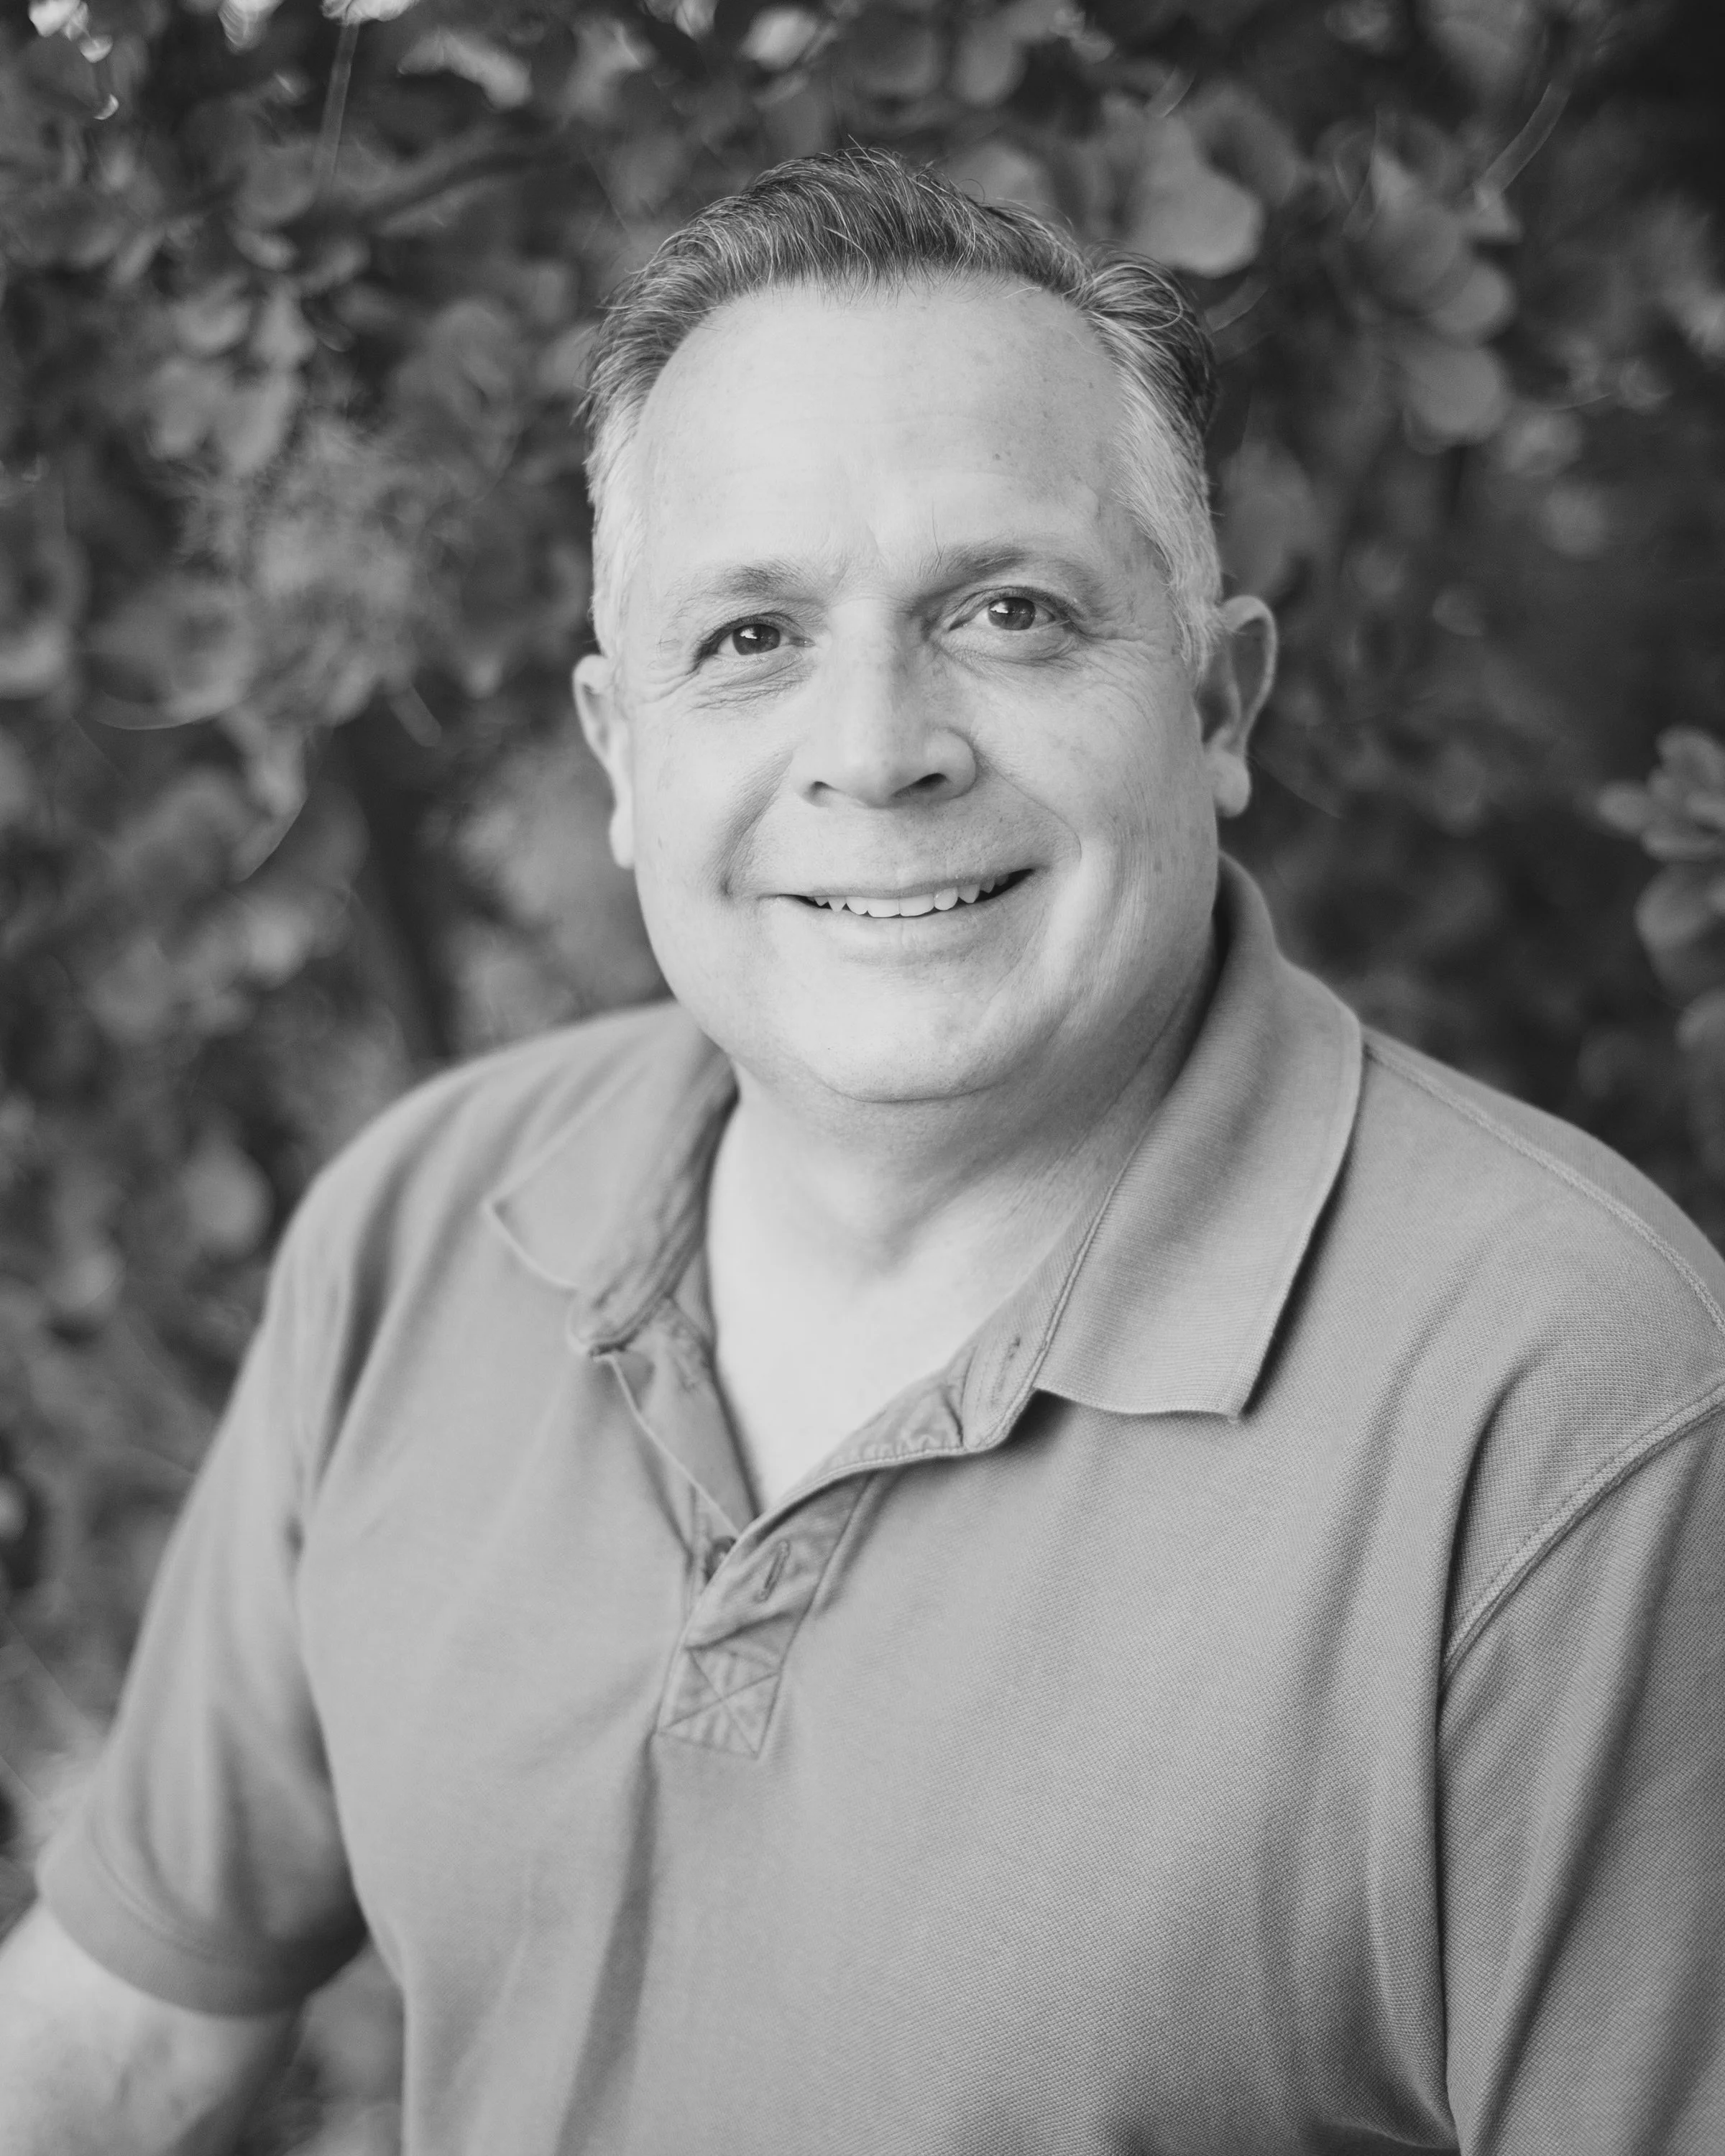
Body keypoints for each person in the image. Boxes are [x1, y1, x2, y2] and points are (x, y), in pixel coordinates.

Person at [1, 148, 1721, 2156]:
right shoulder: (427, 1225)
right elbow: (126, 2049)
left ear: (1220, 702)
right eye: (747, 639)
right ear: (620, 754)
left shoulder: (1572, 1415)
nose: (878, 745)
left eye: (1008, 610)